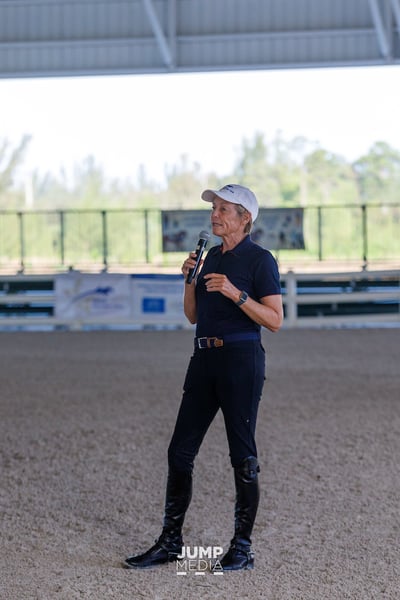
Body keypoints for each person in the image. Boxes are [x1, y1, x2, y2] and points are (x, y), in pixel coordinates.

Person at [124, 183, 283, 571]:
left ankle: (242, 549)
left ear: (245, 218)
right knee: (179, 452)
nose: (215, 215)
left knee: (242, 457)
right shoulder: (209, 256)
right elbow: (193, 316)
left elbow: (275, 321)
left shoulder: (261, 260)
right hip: (204, 358)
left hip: (241, 360)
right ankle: (171, 542)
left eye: (224, 209)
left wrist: (236, 294)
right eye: (214, 208)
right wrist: (189, 280)